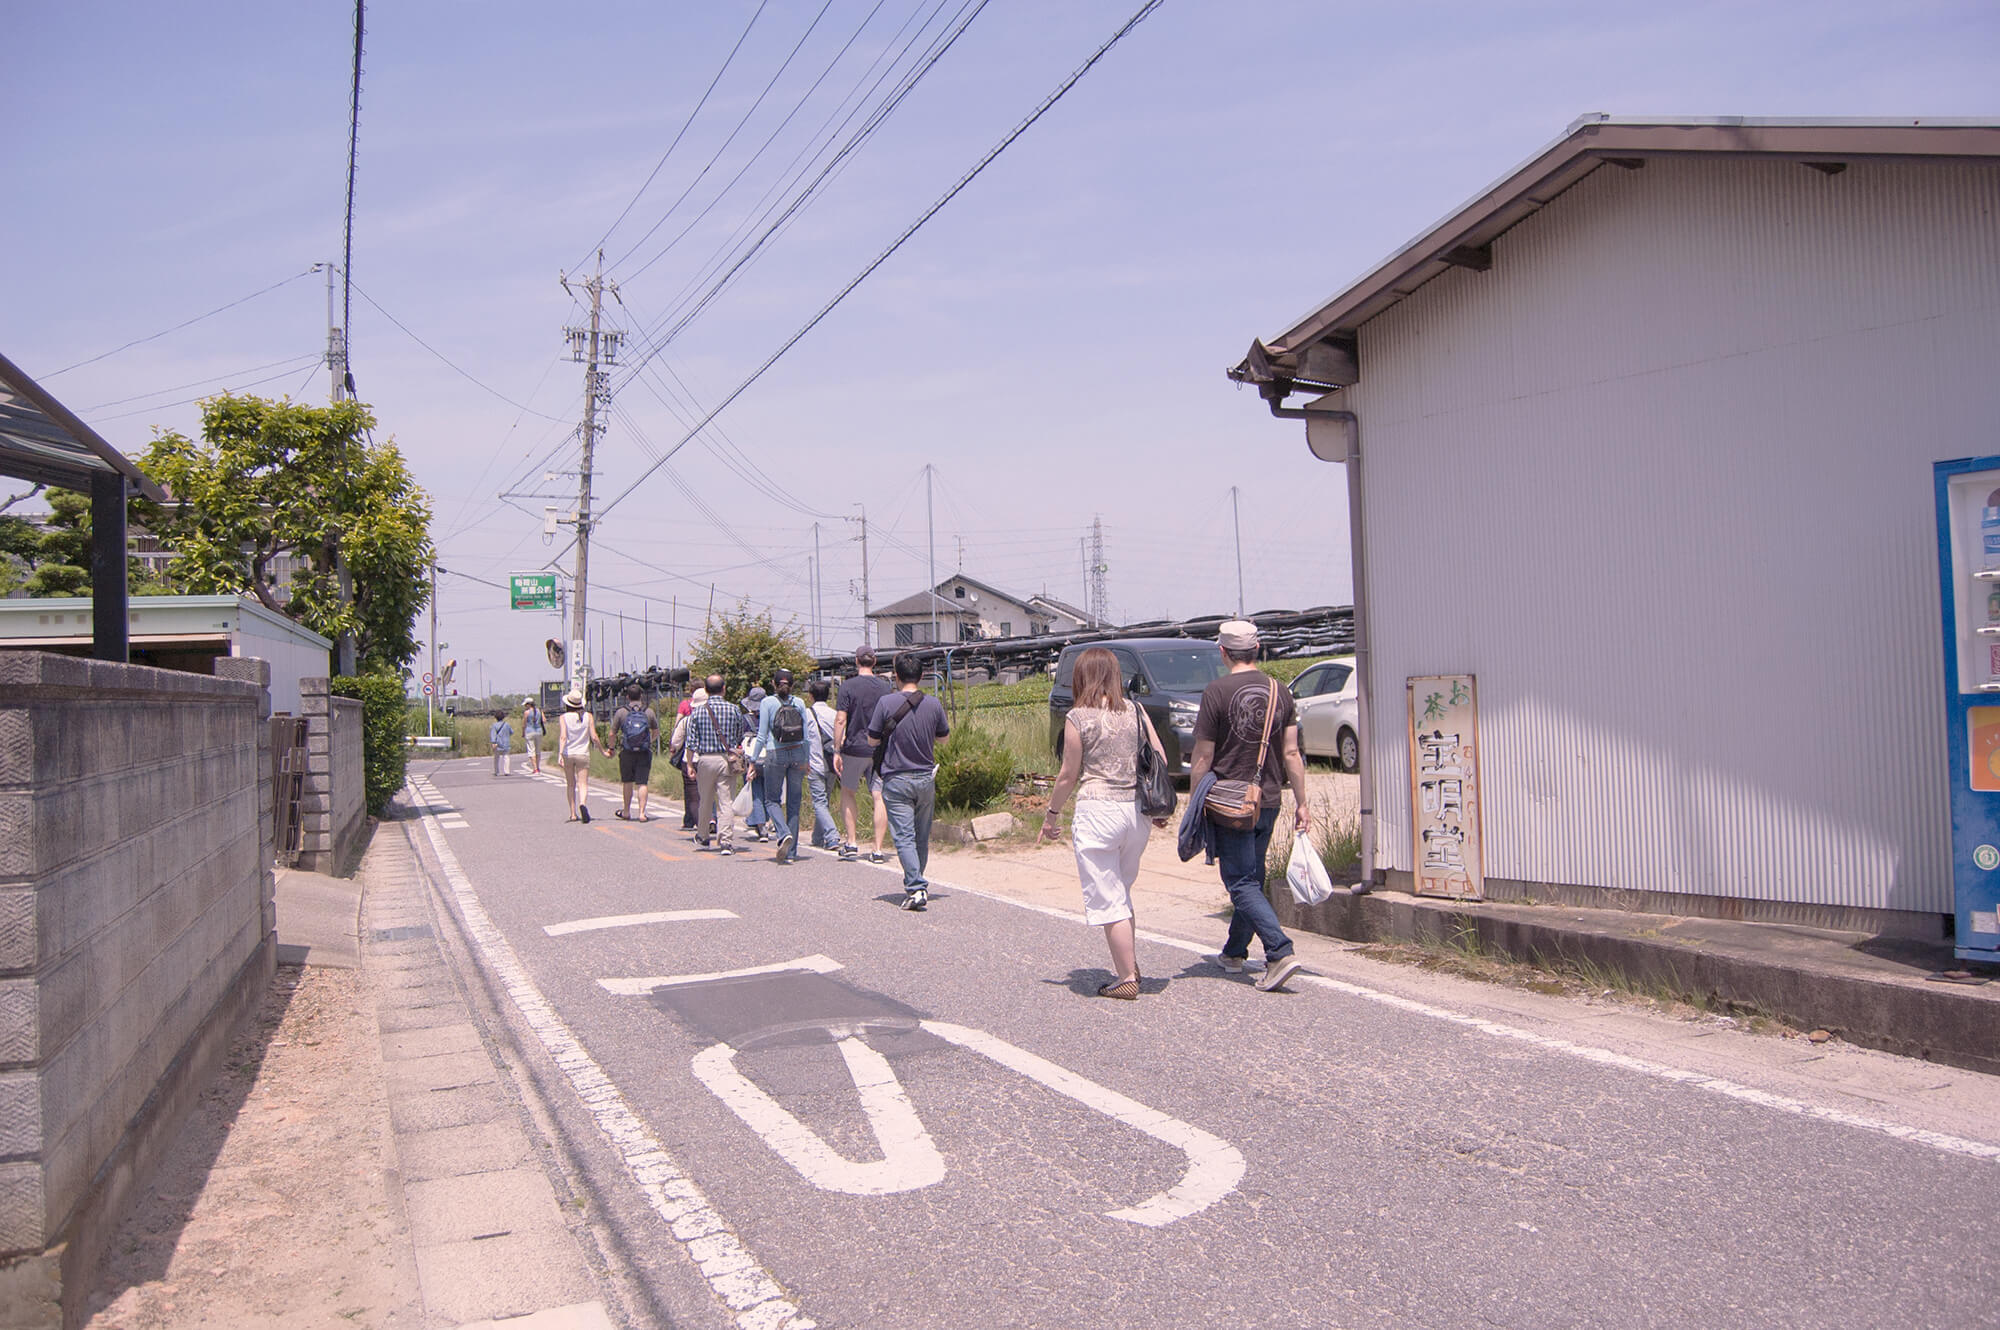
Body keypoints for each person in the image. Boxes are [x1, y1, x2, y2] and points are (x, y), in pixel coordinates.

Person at [1188, 620, 1314, 992]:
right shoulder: (1280, 691)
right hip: (1269, 798)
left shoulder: (1216, 691)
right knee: (1252, 878)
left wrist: (1195, 801)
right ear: (1256, 650)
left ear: (1223, 652)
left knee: (1240, 881)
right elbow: (1292, 752)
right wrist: (1303, 803)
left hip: (1231, 802)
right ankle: (1234, 951)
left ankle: (1279, 951)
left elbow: (1203, 755)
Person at [1039, 647, 1171, 999]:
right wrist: (1156, 807)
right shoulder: (1137, 710)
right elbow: (1160, 757)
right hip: (1136, 813)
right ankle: (1130, 964)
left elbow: (1068, 774)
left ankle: (1126, 976)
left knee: (1109, 897)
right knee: (1121, 892)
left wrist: (1051, 814)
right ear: (1114, 675)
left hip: (1098, 810)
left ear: (1081, 677)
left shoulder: (1078, 717)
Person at [868, 652, 950, 911]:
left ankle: (916, 887)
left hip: (897, 778)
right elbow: (943, 738)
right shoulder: (934, 704)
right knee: (921, 836)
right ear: (922, 676)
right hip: (926, 777)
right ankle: (917, 884)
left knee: (903, 836)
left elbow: (872, 740)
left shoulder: (885, 702)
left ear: (896, 675)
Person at [832, 646, 893, 863]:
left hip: (854, 749)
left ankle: (851, 843)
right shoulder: (885, 687)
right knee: (879, 796)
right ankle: (877, 849)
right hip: (878, 749)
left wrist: (836, 749)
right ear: (874, 662)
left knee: (848, 792)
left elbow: (841, 719)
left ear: (857, 661)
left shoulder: (848, 686)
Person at [754, 669, 812, 863]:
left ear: (773, 683)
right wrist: (807, 759)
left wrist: (753, 760)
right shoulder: (800, 703)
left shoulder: (767, 703)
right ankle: (792, 853)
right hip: (797, 755)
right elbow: (806, 736)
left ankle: (783, 833)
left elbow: (761, 736)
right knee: (794, 803)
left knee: (772, 800)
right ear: (793, 685)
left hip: (775, 754)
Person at [685, 674, 747, 855]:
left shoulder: (697, 712)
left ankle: (703, 836)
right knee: (725, 801)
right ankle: (726, 841)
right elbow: (738, 736)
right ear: (724, 688)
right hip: (726, 759)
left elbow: (691, 743)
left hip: (705, 759)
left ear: (705, 690)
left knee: (705, 799)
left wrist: (690, 764)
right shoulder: (734, 709)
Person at [606, 684, 659, 822]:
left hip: (627, 751)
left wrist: (611, 748)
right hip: (644, 751)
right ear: (641, 696)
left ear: (627, 696)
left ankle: (627, 811)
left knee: (627, 781)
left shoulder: (621, 712)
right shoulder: (649, 712)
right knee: (642, 783)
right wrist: (649, 742)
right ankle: (642, 813)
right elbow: (656, 731)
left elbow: (612, 733)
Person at [805, 678, 842, 851]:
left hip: (815, 763)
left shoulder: (806, 714)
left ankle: (832, 836)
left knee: (819, 802)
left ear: (811, 696)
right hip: (833, 763)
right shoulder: (835, 714)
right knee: (824, 800)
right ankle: (817, 837)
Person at [556, 690, 602, 823]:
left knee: (571, 784)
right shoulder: (588, 716)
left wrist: (560, 754)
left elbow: (563, 736)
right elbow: (594, 737)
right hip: (583, 753)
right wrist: (603, 751)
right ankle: (583, 803)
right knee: (583, 783)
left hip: (568, 754)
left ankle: (573, 813)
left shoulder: (563, 717)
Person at [669, 687, 704, 832]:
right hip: (712, 759)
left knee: (694, 796)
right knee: (712, 794)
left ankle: (702, 829)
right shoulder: (719, 717)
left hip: (690, 760)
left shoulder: (687, 720)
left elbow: (676, 742)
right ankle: (713, 819)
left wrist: (673, 750)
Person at [741, 686, 770, 842]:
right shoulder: (771, 717)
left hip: (752, 759)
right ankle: (765, 820)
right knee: (770, 792)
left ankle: (761, 825)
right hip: (770, 758)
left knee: (756, 792)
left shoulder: (745, 719)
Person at [520, 696, 546, 775]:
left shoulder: (526, 712)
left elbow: (524, 724)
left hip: (529, 732)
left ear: (528, 705)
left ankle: (535, 769)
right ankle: (538, 767)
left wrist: (523, 733)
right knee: (538, 750)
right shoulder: (539, 711)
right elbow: (544, 720)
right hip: (539, 731)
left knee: (531, 750)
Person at [489, 709, 513, 778]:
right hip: (506, 743)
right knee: (506, 757)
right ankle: (507, 771)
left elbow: (493, 735)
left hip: (498, 744)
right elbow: (511, 732)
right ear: (503, 717)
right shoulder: (507, 725)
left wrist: (493, 742)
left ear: (496, 717)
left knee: (496, 758)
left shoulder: (494, 725)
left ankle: (496, 771)